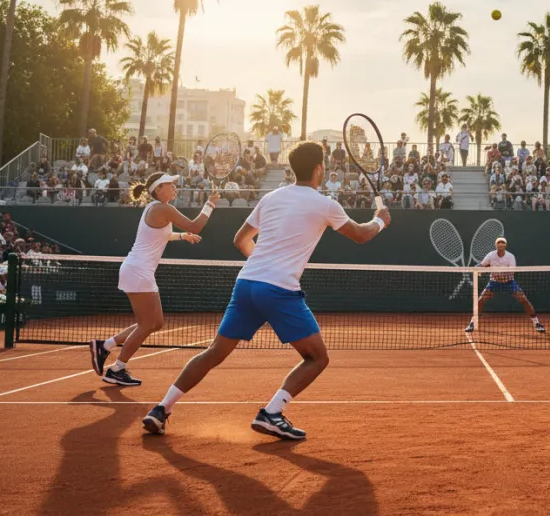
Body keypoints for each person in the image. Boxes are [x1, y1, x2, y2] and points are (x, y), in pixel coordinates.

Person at [142, 142, 390, 439]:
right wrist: (380, 220)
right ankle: (272, 413)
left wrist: (263, 265)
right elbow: (361, 235)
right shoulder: (326, 204)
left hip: (247, 284)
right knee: (317, 358)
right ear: (319, 169)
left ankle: (161, 409)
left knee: (214, 352)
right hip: (279, 289)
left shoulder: (271, 197)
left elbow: (240, 240)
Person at [89, 174, 220, 387]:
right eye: (170, 184)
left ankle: (106, 345)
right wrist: (210, 204)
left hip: (138, 271)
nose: (175, 187)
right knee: (147, 324)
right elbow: (195, 226)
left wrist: (181, 236)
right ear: (158, 189)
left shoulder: (155, 208)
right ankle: (117, 368)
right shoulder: (162, 208)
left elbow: (161, 235)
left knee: (155, 323)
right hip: (138, 271)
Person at [464, 237, 542, 334]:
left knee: (523, 300)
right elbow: (482, 264)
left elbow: (512, 271)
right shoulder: (491, 255)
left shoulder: (510, 256)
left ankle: (536, 323)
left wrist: (497, 271)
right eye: (499, 243)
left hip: (509, 282)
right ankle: (472, 323)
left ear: (505, 245)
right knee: (480, 301)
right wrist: (477, 268)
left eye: (502, 243)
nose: (501, 244)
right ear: (496, 245)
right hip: (494, 282)